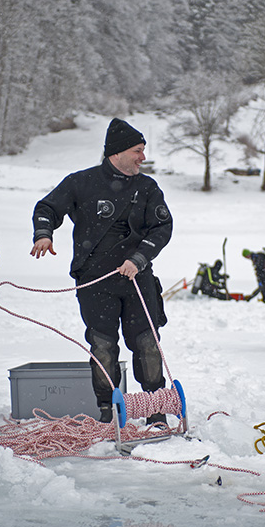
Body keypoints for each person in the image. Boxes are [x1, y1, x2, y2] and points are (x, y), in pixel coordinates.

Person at [31, 118, 173, 426]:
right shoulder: (80, 182)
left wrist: (139, 258)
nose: (143, 157)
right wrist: (44, 233)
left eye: (143, 150)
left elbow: (163, 227)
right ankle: (108, 410)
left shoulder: (148, 188)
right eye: (138, 150)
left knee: (148, 341)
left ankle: (155, 408)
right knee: (103, 345)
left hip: (138, 279)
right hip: (95, 282)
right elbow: (47, 208)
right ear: (117, 152)